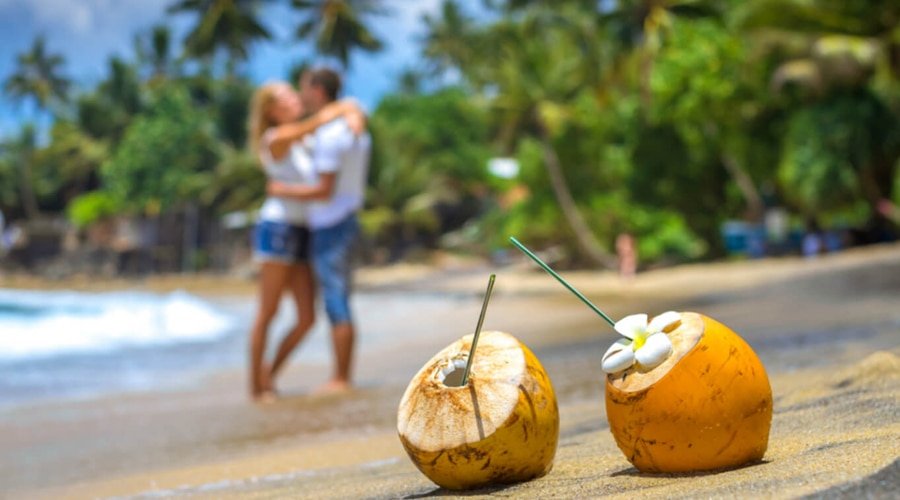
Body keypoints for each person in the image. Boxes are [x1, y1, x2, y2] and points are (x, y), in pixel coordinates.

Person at [246, 80, 364, 402]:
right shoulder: (277, 138)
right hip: (278, 228)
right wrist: (345, 108)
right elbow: (318, 122)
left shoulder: (304, 139)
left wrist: (353, 112)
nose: (294, 96)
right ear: (270, 109)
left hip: (304, 229)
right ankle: (256, 389)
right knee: (267, 313)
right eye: (285, 95)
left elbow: (332, 127)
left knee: (307, 318)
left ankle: (268, 376)